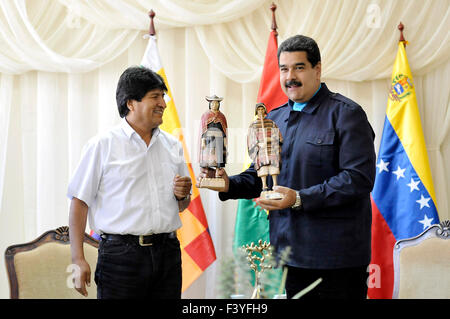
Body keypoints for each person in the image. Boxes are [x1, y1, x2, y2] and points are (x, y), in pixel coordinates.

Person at [198, 35, 376, 299]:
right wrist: (228, 183)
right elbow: (261, 174)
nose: (290, 76)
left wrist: (300, 199)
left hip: (336, 261)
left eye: (299, 67)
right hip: (288, 256)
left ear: (317, 69)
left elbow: (358, 179)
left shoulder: (347, 114)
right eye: (283, 69)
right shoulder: (273, 118)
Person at [67, 66, 192, 299]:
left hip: (168, 254)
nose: (163, 103)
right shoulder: (102, 146)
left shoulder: (173, 145)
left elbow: (182, 204)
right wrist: (78, 259)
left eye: (163, 96)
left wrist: (182, 196)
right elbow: (79, 202)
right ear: (130, 103)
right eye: (155, 96)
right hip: (120, 258)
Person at [247, 103, 283, 193]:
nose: (260, 111)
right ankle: (264, 186)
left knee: (273, 167)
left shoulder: (271, 123)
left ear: (265, 110)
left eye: (262, 109)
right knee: (262, 168)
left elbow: (278, 137)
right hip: (261, 151)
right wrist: (258, 145)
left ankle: (275, 184)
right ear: (256, 111)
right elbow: (251, 139)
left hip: (272, 149)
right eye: (258, 110)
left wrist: (270, 139)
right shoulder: (253, 125)